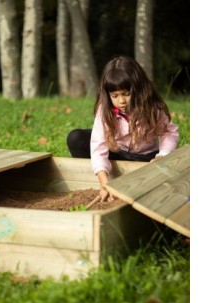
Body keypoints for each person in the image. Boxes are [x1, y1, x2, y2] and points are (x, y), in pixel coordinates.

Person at [67, 55, 179, 202]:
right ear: (108, 95)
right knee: (76, 137)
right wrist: (105, 183)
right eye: (115, 96)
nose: (121, 101)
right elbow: (98, 145)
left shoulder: (152, 107)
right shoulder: (105, 109)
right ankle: (97, 180)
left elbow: (169, 132)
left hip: (145, 158)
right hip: (116, 152)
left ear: (139, 89)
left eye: (127, 94)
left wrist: (162, 156)